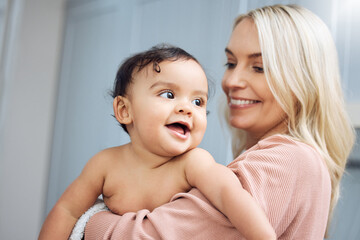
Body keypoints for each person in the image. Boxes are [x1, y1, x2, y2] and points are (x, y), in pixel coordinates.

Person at [82, 4, 355, 240]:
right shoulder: (291, 159)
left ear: (302, 83)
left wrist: (88, 219)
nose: (231, 82)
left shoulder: (285, 161)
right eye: (231, 63)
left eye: (259, 67)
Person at [38, 45, 276, 240]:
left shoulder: (193, 163)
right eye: (168, 95)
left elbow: (229, 194)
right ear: (124, 110)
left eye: (198, 102)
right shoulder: (105, 164)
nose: (186, 108)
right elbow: (67, 211)